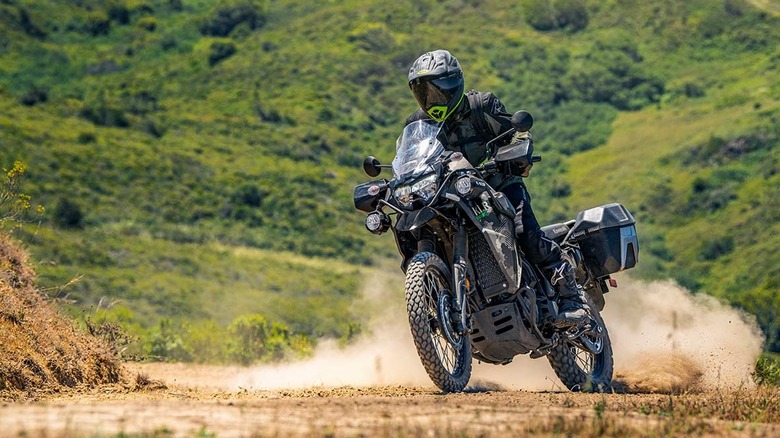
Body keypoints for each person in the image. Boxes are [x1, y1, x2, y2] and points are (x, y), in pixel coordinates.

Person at [405, 49, 587, 327]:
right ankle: (438, 304)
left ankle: (571, 298)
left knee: (526, 232)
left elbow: (516, 134)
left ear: (453, 85)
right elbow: (411, 158)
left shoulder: (481, 106)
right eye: (423, 92)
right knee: (414, 229)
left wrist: (517, 155)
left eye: (435, 90)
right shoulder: (418, 123)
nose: (431, 99)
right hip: (448, 196)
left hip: (497, 186)